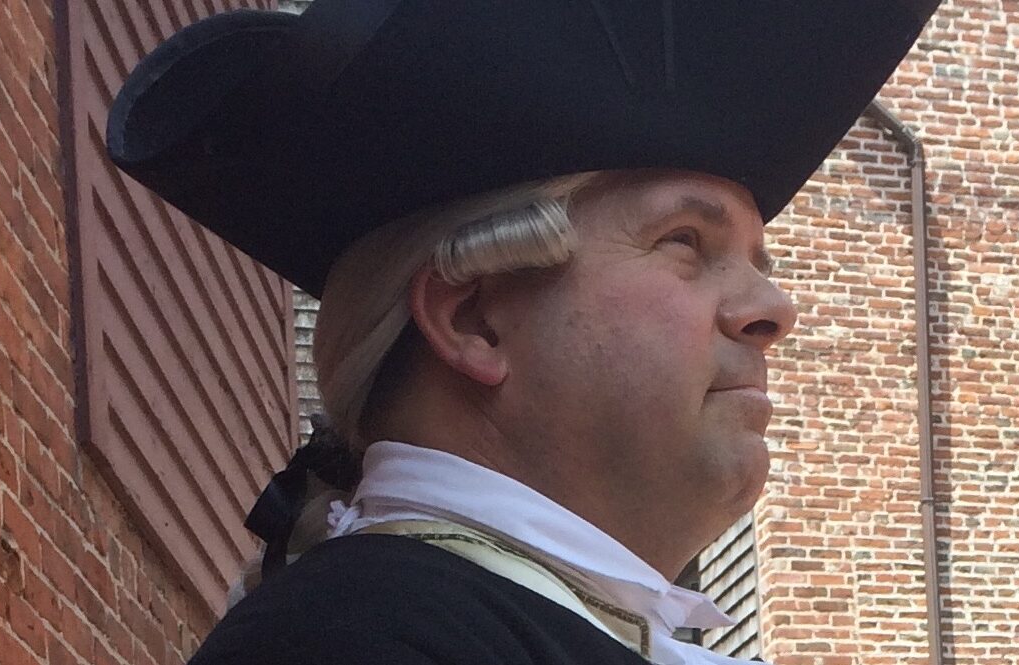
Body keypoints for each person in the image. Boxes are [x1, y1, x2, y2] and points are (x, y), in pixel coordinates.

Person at [106, 2, 940, 663]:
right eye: (686, 241)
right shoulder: (359, 639)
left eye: (758, 258)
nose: (774, 309)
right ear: (476, 319)